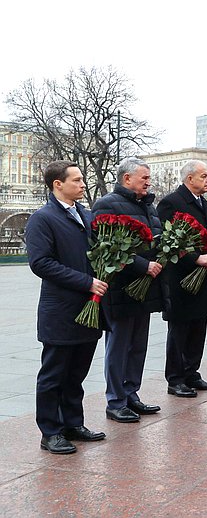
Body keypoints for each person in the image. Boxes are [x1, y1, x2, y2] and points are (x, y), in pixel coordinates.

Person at [26, 160, 108, 454]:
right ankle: (50, 432)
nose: (83, 184)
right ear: (57, 184)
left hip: (89, 308)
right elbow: (41, 263)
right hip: (61, 310)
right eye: (76, 180)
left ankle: (73, 424)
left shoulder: (85, 215)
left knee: (77, 373)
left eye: (82, 179)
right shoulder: (43, 219)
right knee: (54, 374)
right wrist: (87, 282)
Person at [92, 157, 163, 423]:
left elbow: (155, 240)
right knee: (119, 347)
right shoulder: (107, 205)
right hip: (119, 288)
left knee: (138, 346)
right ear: (127, 178)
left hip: (144, 287)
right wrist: (144, 265)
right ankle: (115, 401)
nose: (148, 182)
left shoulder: (149, 206)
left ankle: (131, 393)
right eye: (144, 178)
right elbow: (107, 246)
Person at [156, 160, 207, 398]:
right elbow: (166, 241)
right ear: (189, 178)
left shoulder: (204, 203)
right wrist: (195, 258)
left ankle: (191, 372)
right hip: (181, 278)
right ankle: (175, 379)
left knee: (198, 327)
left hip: (203, 277)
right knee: (180, 330)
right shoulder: (172, 202)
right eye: (203, 176)